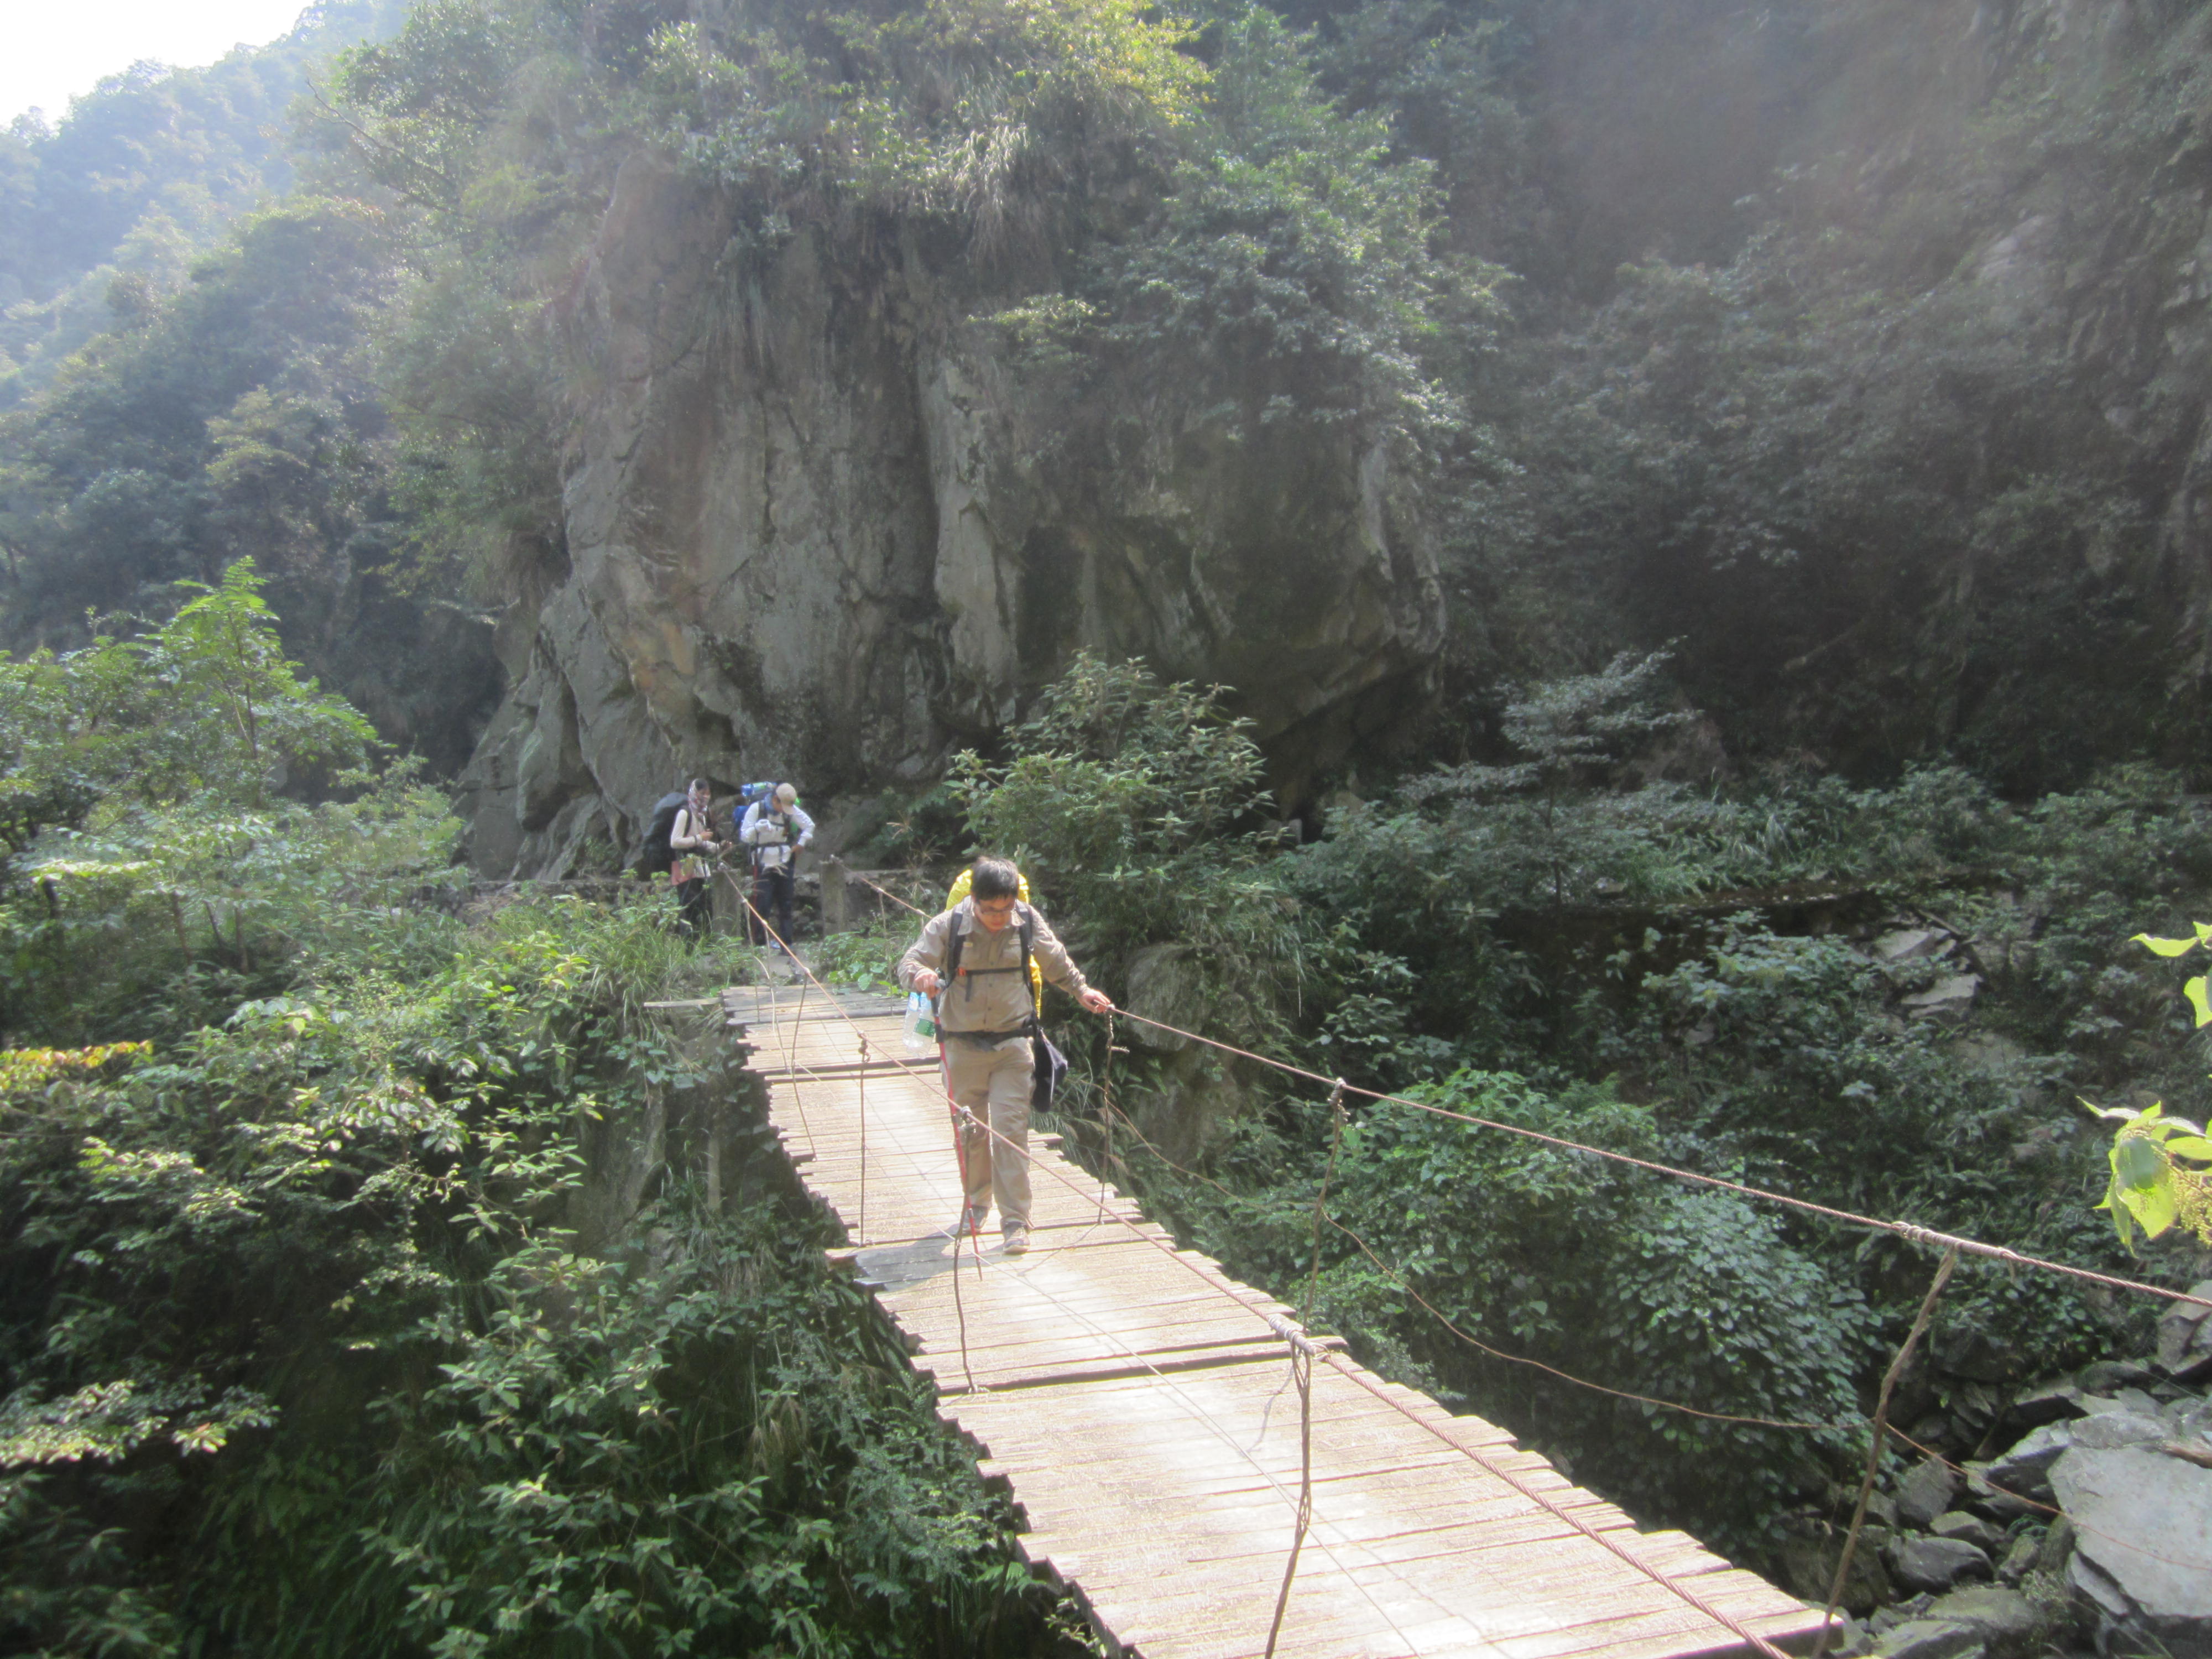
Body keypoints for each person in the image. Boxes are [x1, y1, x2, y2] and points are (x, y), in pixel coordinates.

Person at [898, 857, 1113, 1255]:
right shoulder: (948, 926)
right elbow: (910, 963)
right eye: (988, 909)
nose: (998, 918)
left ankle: (1016, 1222)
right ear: (974, 901)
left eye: (1005, 908)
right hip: (961, 1047)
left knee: (1010, 1132)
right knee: (971, 1131)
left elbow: (1056, 962)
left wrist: (1082, 991)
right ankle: (976, 1205)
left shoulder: (1026, 920)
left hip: (1014, 1044)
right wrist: (921, 977)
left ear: (1015, 900)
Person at [739, 782, 815, 950]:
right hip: (762, 861)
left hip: (785, 860)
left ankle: (787, 943)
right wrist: (757, 828)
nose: (784, 811)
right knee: (763, 903)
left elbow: (809, 825)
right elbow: (744, 837)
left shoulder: (790, 811)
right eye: (782, 806)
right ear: (775, 799)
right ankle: (759, 942)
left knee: (786, 903)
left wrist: (800, 844)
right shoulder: (756, 809)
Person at [667, 779, 724, 939]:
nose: (706, 797)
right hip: (684, 863)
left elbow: (703, 843)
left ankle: (704, 943)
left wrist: (720, 847)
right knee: (688, 907)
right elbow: (675, 842)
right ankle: (689, 947)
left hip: (699, 863)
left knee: (705, 906)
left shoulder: (702, 815)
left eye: (708, 794)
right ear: (694, 793)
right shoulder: (684, 813)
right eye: (702, 793)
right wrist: (700, 838)